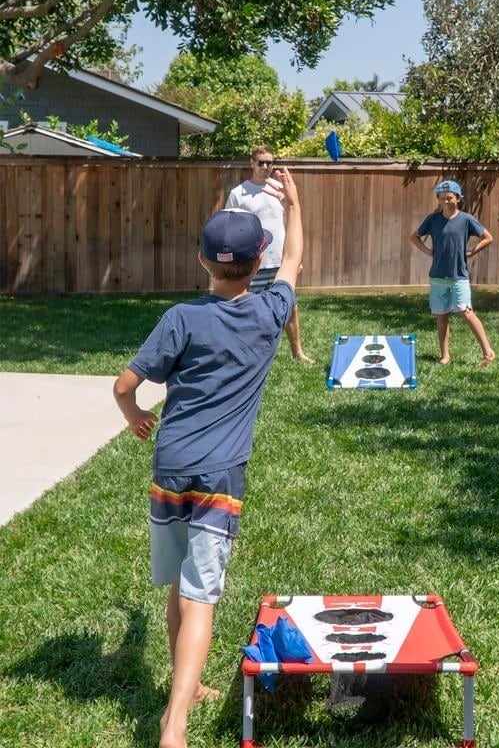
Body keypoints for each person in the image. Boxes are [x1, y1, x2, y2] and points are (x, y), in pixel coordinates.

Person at [112, 167, 303, 748]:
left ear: (203, 261)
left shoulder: (181, 318)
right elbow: (295, 261)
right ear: (258, 257)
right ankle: (175, 724)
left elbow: (124, 385)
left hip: (169, 466)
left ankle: (185, 685)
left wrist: (135, 418)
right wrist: (294, 204)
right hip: (221, 475)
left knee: (177, 586)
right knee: (199, 599)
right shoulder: (270, 313)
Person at [226, 145, 314, 363]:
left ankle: (297, 352)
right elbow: (230, 227)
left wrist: (296, 259)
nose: (265, 167)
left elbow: (290, 221)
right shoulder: (238, 194)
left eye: (269, 162)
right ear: (252, 163)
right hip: (254, 262)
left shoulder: (280, 190)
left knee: (290, 306)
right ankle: (250, 355)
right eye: (261, 162)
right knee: (249, 308)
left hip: (281, 261)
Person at [410, 179, 496, 366]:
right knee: (441, 316)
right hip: (438, 276)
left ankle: (488, 352)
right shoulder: (432, 220)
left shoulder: (466, 220)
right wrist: (427, 251)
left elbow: (488, 237)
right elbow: (414, 236)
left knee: (466, 313)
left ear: (458, 198)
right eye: (441, 199)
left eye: (449, 198)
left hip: (459, 276)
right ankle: (445, 355)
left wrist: (473, 251)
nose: (445, 202)